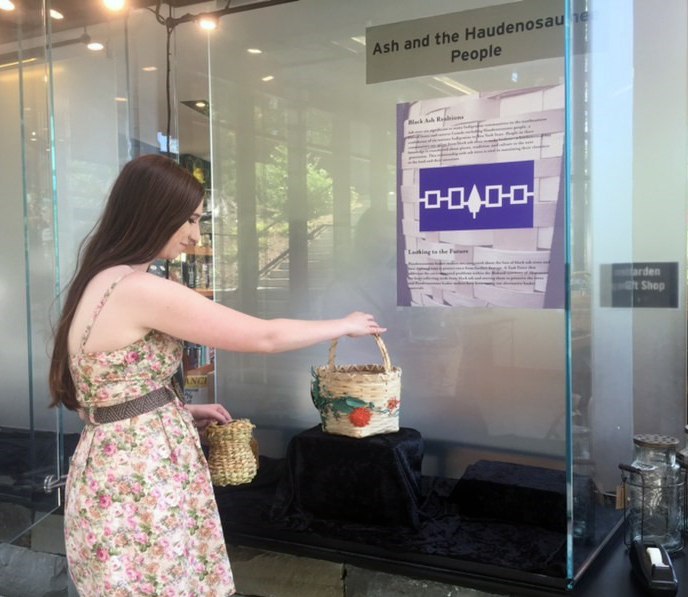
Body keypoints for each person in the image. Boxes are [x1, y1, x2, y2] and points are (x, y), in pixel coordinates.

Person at [48, 153, 386, 597]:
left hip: (117, 462)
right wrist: (344, 325)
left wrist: (173, 408)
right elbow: (262, 336)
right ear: (154, 213)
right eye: (189, 220)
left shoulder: (102, 277)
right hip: (140, 475)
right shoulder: (140, 289)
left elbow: (109, 390)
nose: (195, 235)